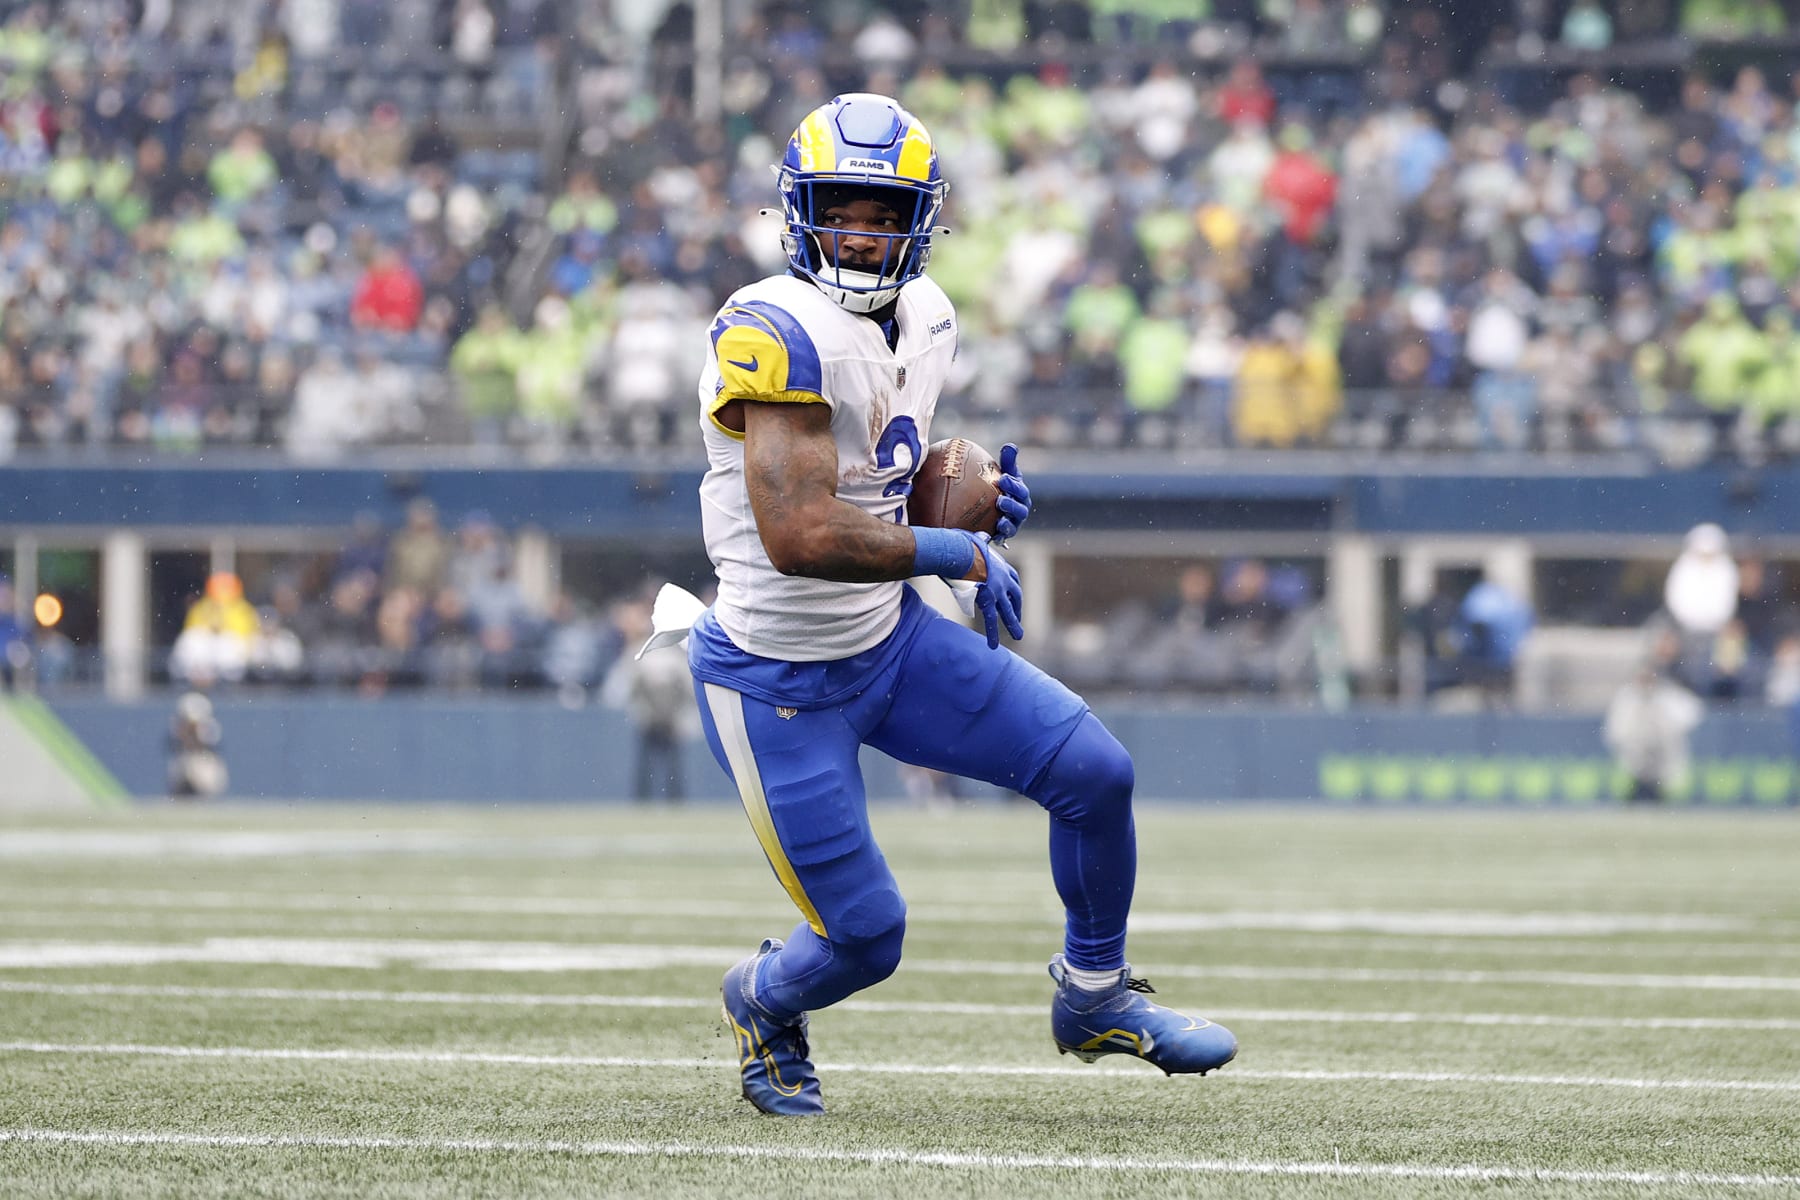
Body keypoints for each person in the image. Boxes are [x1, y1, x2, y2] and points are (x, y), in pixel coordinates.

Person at [682, 93, 1237, 1118]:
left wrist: (962, 490)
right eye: (842, 207)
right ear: (801, 211)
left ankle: (1097, 997)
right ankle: (761, 999)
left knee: (1095, 775)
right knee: (866, 939)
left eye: (884, 212)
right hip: (774, 681)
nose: (860, 230)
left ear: (920, 221)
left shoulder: (928, 313)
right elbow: (800, 533)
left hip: (887, 644)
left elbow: (881, 463)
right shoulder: (771, 329)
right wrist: (955, 550)